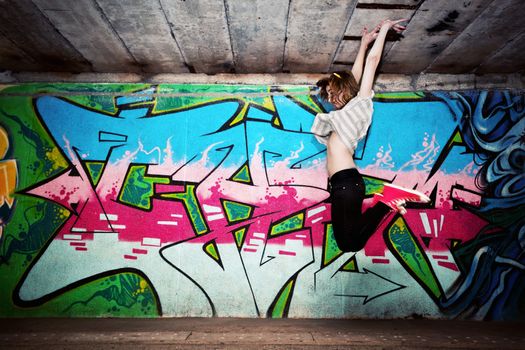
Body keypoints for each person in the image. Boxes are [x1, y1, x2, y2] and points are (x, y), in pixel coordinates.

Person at [311, 19, 430, 252]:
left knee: (349, 243)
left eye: (334, 94)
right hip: (343, 185)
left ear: (345, 92)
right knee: (350, 241)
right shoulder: (347, 111)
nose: (332, 100)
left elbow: (371, 64)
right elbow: (352, 78)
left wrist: (385, 28)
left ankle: (387, 202)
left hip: (347, 183)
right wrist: (363, 44)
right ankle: (386, 203)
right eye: (329, 96)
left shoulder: (359, 106)